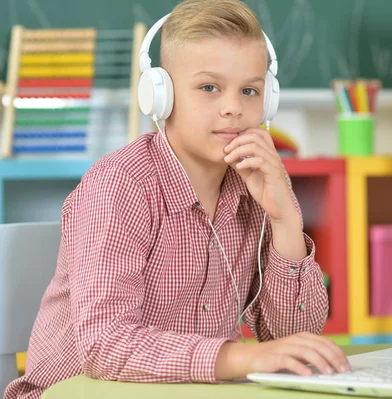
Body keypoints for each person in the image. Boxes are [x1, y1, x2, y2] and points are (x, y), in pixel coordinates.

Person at [4, 1, 350, 398]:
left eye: (250, 90)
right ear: (160, 96)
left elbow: (290, 338)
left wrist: (285, 218)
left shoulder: (256, 187)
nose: (233, 107)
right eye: (209, 87)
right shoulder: (121, 186)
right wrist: (245, 359)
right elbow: (105, 344)